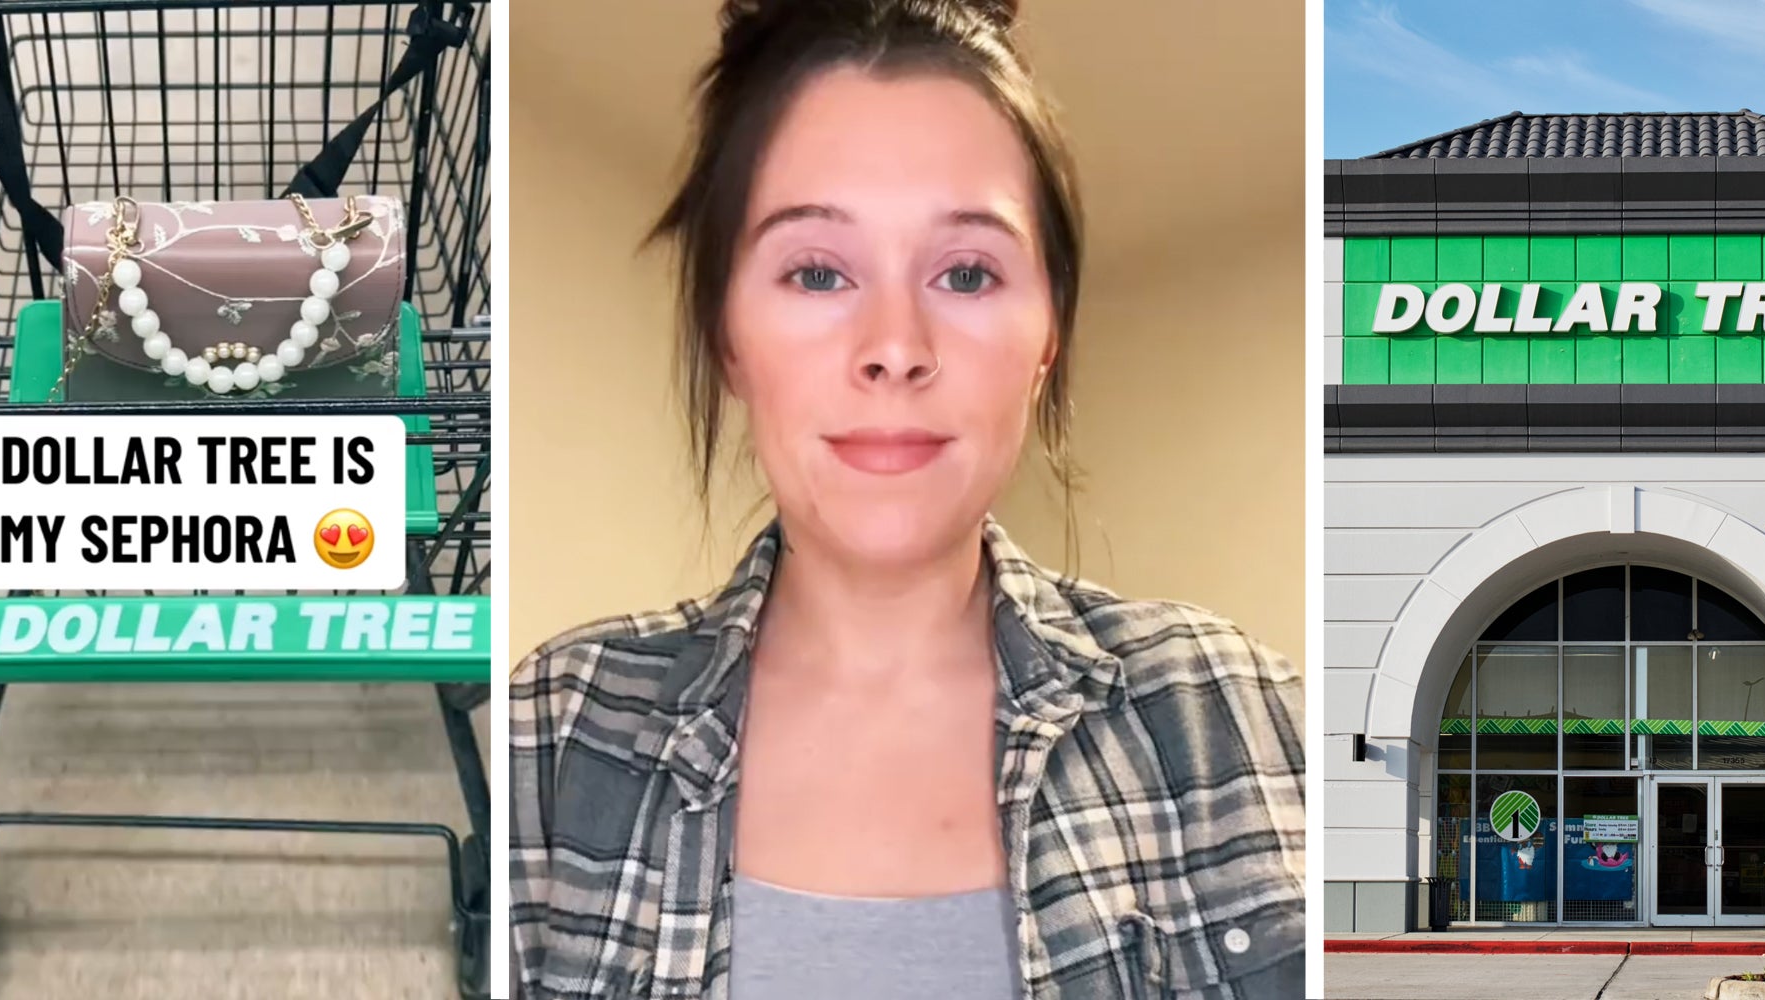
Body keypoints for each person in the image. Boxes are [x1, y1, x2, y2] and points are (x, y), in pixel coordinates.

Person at [510, 1, 1305, 997]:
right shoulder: (555, 730)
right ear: (728, 336)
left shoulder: (1237, 712)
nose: (894, 345)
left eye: (966, 272)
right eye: (815, 271)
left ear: (1047, 329)